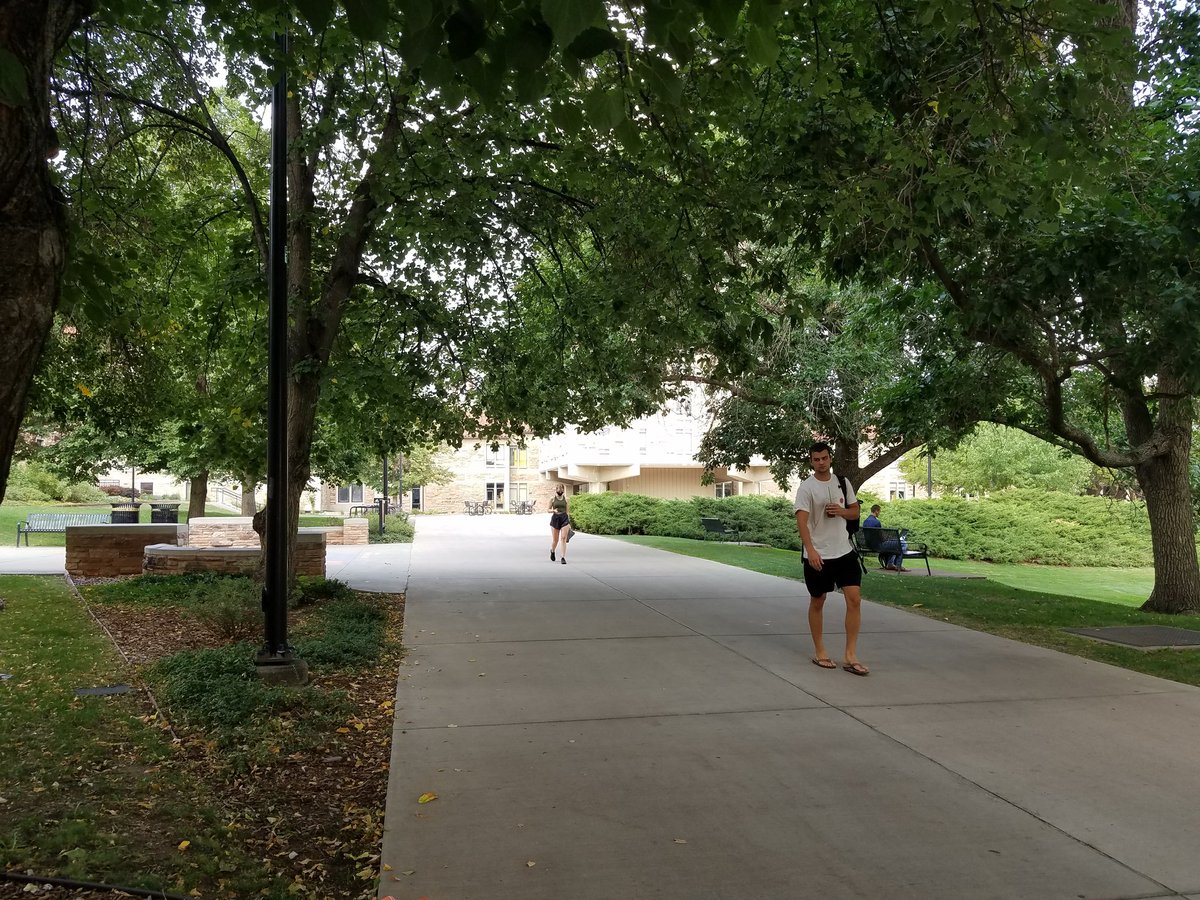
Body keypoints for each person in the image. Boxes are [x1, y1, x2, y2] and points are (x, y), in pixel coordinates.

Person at [794, 442, 869, 676]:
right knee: (818, 600)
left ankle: (850, 655)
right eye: (816, 459)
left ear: (830, 458)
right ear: (811, 461)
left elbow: (855, 512)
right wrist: (811, 550)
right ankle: (821, 651)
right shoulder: (807, 488)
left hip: (844, 551)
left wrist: (841, 512)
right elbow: (801, 522)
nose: (821, 462)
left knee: (854, 599)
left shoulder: (843, 482)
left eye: (824, 458)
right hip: (819, 554)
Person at [864, 504, 908, 571]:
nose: (879, 513)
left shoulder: (865, 521)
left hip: (869, 545)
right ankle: (897, 565)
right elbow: (881, 537)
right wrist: (887, 539)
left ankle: (890, 563)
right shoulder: (876, 522)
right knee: (902, 543)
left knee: (896, 545)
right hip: (878, 545)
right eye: (879, 511)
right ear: (876, 511)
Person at [549, 484, 570, 565]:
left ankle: (563, 557)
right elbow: (548, 509)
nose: (560, 491)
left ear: (563, 490)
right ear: (556, 490)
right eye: (558, 489)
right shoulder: (552, 499)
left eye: (561, 489)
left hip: (564, 518)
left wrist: (569, 522)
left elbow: (568, 511)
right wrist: (553, 510)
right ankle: (552, 551)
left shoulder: (567, 499)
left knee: (563, 538)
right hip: (555, 519)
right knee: (555, 540)